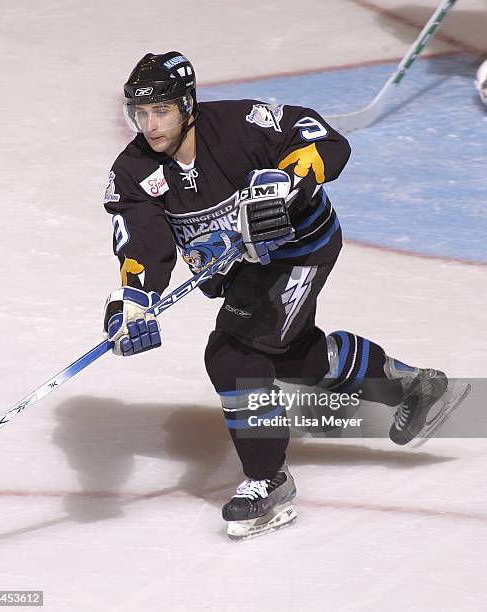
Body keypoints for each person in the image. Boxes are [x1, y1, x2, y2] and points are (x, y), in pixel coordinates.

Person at [102, 51, 449, 540]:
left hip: (298, 248)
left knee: (233, 354)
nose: (150, 125)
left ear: (187, 104)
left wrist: (287, 183)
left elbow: (320, 137)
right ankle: (405, 383)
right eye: (140, 113)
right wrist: (133, 300)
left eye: (161, 111)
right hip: (242, 269)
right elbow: (142, 242)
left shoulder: (240, 124)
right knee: (286, 354)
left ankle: (268, 480)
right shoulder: (134, 170)